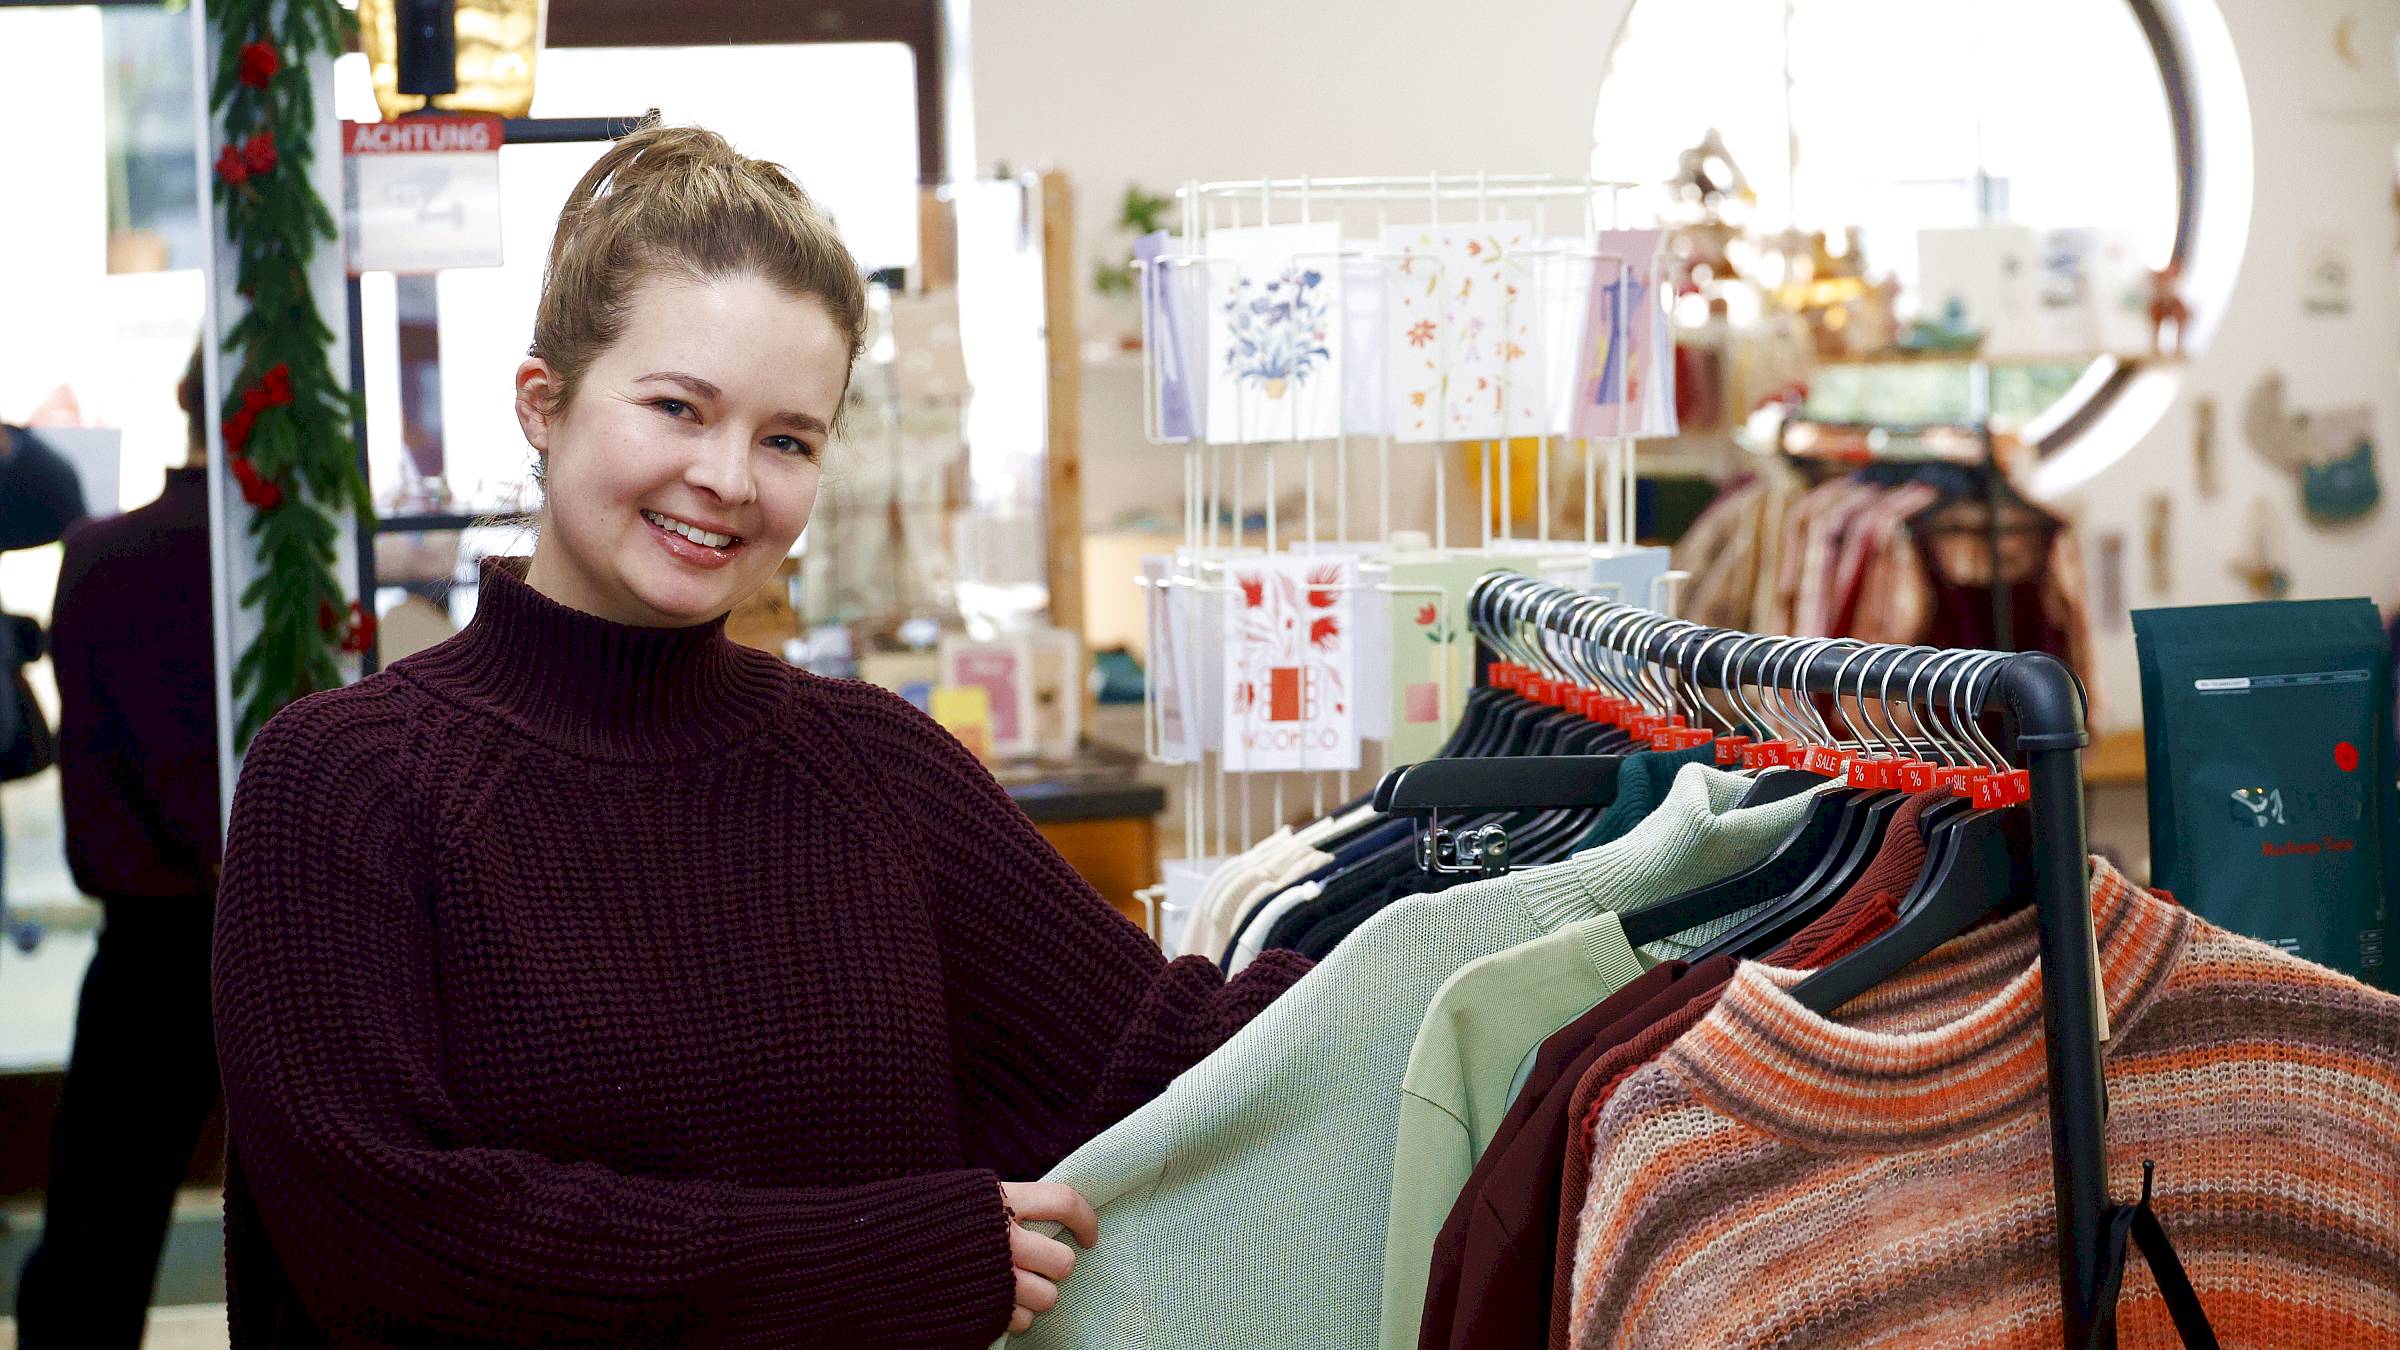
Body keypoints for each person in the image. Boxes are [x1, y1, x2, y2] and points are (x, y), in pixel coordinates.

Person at [210, 123, 1313, 1348]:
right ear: (545, 402)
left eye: (788, 438)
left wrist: (1503, 954)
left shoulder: (879, 772)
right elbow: (383, 1245)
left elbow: (1173, 1059)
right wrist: (872, 1267)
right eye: (680, 408)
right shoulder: (344, 782)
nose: (730, 478)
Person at [13, 350, 222, 1348]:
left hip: (148, 942)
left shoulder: (104, 555)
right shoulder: (277, 559)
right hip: (280, 937)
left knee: (96, 1244)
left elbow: (89, 782)